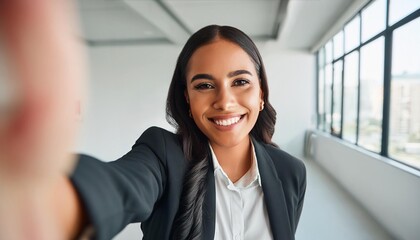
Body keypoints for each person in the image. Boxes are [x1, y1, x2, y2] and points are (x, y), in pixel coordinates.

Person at [0, 1, 306, 240]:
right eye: (204, 85)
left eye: (240, 82)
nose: (224, 101)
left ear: (262, 92)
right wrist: (47, 204)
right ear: (187, 98)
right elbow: (121, 186)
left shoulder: (290, 172)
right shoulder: (163, 154)